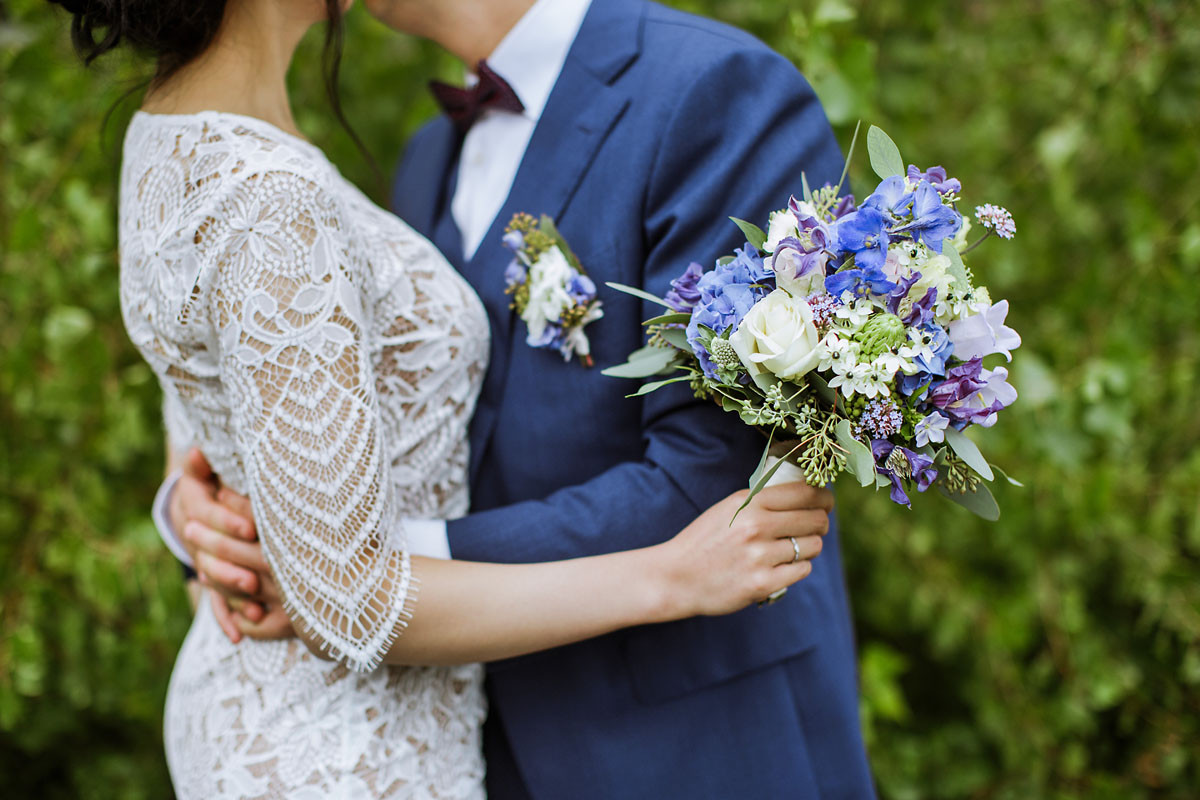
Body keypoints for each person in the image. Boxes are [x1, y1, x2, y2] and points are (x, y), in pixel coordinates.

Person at [50, 0, 837, 797]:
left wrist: (325, 552)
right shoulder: (416, 159)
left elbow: (716, 487)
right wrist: (212, 517)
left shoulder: (708, 90)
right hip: (397, 738)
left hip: (675, 743)